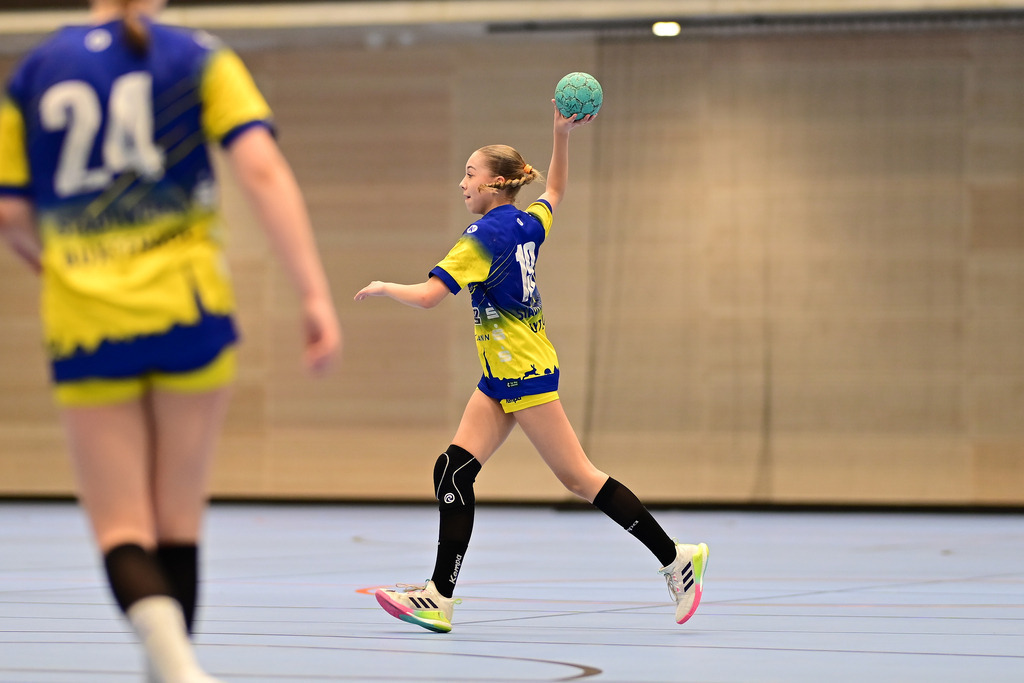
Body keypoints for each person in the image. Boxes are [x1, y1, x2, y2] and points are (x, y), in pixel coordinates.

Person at [0, 1, 341, 680]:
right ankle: (179, 669)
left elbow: (10, 211)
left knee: (122, 528)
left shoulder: (34, 71)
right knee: (179, 520)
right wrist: (312, 293)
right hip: (189, 310)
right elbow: (262, 169)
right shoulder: (198, 56)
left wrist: (50, 260)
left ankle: (175, 667)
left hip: (86, 321)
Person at [354, 101, 708, 633]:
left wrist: (384, 286)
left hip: (522, 373)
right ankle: (438, 596)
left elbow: (429, 297)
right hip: (502, 375)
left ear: (496, 183)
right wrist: (560, 134)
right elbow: (556, 191)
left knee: (580, 477)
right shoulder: (526, 223)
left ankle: (676, 557)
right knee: (453, 470)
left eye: (470, 174)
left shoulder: (482, 238)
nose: (462, 183)